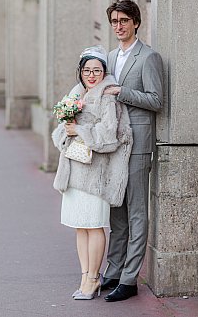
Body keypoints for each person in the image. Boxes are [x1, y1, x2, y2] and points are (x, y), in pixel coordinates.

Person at [52, 46, 133, 300]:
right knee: (80, 226)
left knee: (94, 226)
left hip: (96, 174)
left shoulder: (108, 96)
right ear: (80, 71)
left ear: (104, 71)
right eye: (87, 70)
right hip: (74, 171)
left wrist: (81, 132)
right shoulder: (76, 95)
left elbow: (110, 137)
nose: (91, 75)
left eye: (97, 70)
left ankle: (94, 278)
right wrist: (67, 129)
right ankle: (84, 275)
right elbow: (59, 134)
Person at [101, 0, 164, 302]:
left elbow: (156, 100)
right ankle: (113, 271)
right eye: (114, 21)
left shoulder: (149, 57)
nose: (119, 26)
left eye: (124, 20)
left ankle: (129, 279)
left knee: (137, 211)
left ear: (136, 22)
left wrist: (122, 92)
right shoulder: (110, 57)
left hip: (138, 144)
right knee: (117, 212)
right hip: (114, 144)